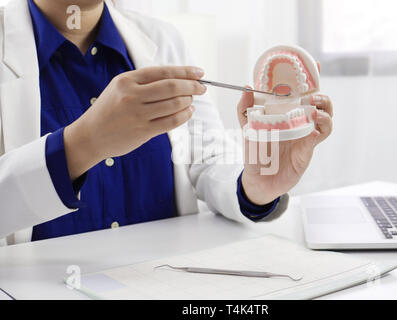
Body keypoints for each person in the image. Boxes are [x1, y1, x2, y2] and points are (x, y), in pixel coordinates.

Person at [0, 0, 333, 245]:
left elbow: (207, 160)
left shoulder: (163, 39)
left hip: (167, 281)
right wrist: (84, 143)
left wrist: (256, 186)